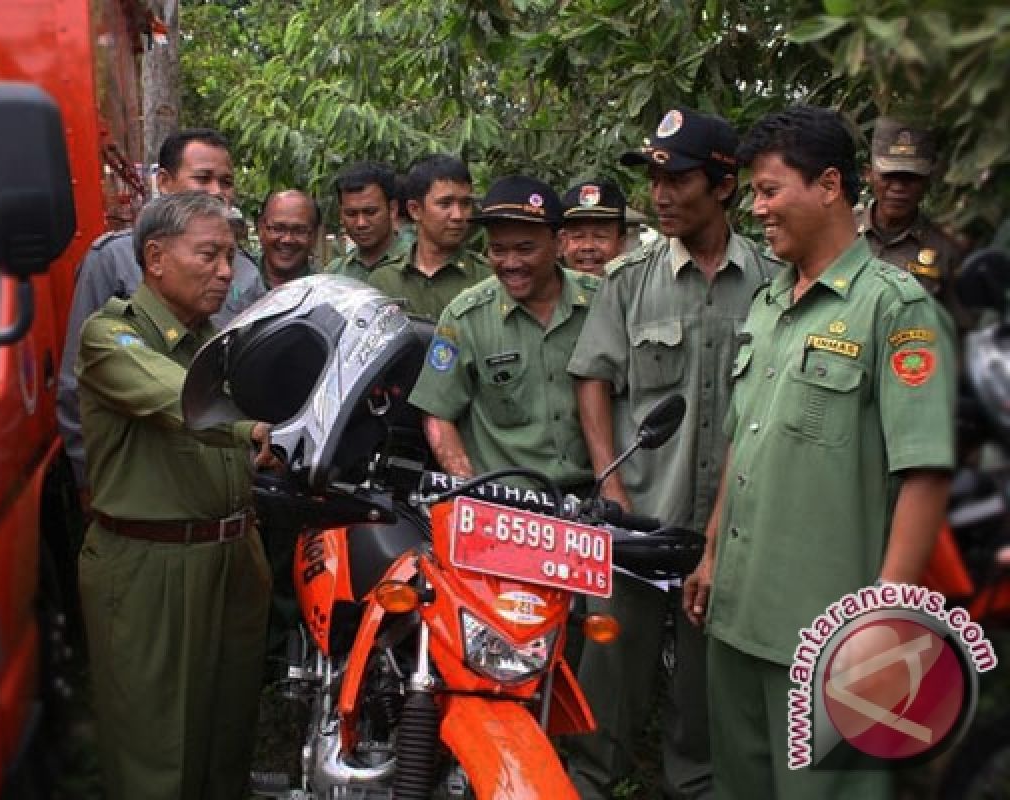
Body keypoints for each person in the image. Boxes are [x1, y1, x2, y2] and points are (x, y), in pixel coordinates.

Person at [682, 106, 955, 799]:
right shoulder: (771, 304)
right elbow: (746, 442)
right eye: (754, 192)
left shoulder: (896, 309)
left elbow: (924, 470)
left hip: (833, 640)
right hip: (739, 621)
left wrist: (885, 618)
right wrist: (713, 553)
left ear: (829, 185)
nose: (758, 207)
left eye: (771, 190)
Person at [565, 107, 779, 800]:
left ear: (723, 185)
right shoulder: (632, 278)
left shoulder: (774, 280)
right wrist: (614, 489)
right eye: (653, 176)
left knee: (704, 713)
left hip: (731, 534)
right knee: (602, 704)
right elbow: (592, 378)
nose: (660, 194)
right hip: (638, 529)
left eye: (677, 177)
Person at [76, 191, 278, 800]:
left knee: (226, 741)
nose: (226, 272)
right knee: (155, 755)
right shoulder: (110, 336)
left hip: (234, 556)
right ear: (156, 257)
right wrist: (264, 425)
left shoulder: (222, 340)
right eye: (210, 255)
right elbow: (188, 400)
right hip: (151, 568)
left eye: (231, 257)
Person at [57, 128, 264, 498]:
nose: (217, 191)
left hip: (222, 485)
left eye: (226, 181)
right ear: (165, 182)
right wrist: (89, 484)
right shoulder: (111, 260)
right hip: (147, 481)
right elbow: (79, 383)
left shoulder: (247, 270)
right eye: (203, 178)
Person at [408, 175, 599, 493]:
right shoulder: (465, 317)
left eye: (525, 249)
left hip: (592, 503)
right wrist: (469, 488)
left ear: (560, 243)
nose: (511, 263)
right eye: (498, 250)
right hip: (508, 507)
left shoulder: (601, 303)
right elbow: (437, 414)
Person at [368, 154, 489, 320]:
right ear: (415, 210)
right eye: (445, 204)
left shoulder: (487, 278)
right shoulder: (384, 281)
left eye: (465, 204)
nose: (458, 215)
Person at [857, 116, 962, 304]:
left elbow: (955, 327)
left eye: (910, 177)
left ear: (928, 180)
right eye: (889, 176)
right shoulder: (838, 232)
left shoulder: (945, 250)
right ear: (868, 175)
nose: (898, 187)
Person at [325, 161, 406, 282]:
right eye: (351, 214)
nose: (361, 223)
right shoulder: (335, 274)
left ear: (392, 209)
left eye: (370, 212)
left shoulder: (417, 265)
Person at [559, 179, 629, 275]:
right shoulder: (540, 288)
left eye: (600, 236)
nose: (588, 246)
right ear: (561, 242)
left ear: (621, 243)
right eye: (578, 236)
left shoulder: (639, 288)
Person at [256, 189, 319, 288]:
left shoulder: (323, 292)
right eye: (278, 228)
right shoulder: (238, 279)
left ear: (314, 236)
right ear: (261, 229)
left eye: (300, 230)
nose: (287, 239)